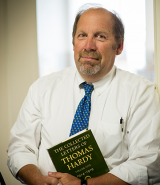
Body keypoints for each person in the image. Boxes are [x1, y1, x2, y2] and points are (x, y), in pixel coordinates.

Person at [7, 4, 160, 185]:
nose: (89, 46)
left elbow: (148, 163)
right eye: (82, 35)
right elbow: (19, 147)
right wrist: (37, 180)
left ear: (119, 46)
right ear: (73, 43)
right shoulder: (42, 89)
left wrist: (84, 184)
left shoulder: (141, 93)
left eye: (100, 36)